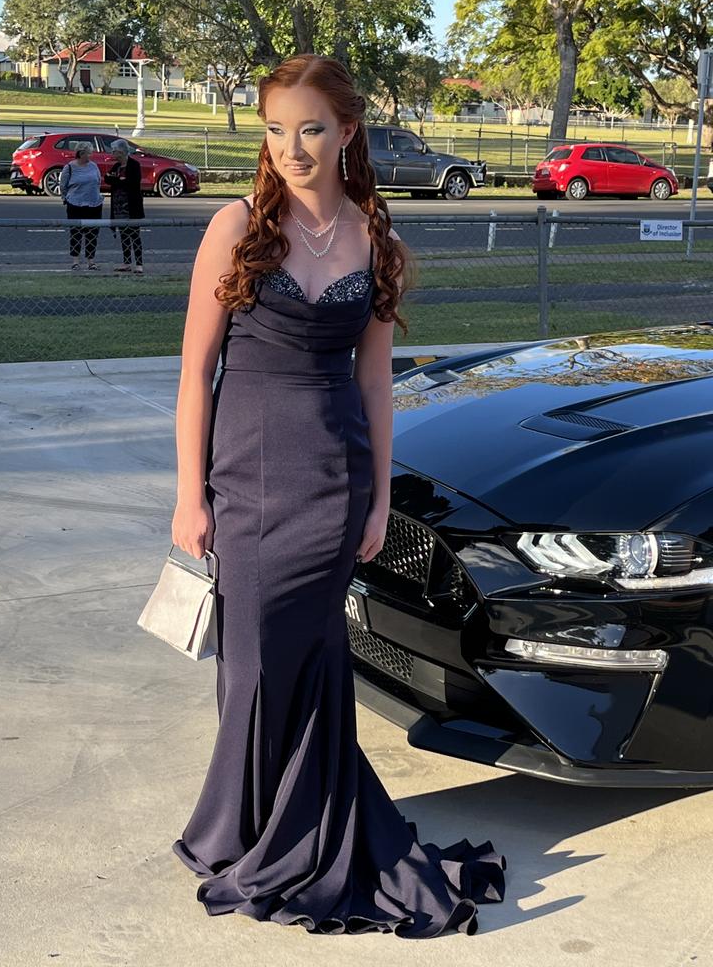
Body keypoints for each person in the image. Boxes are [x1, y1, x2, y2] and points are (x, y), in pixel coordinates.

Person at [169, 53, 506, 938]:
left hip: (334, 477)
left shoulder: (373, 237)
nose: (292, 148)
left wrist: (375, 501)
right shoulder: (236, 227)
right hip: (244, 475)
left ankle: (302, 832)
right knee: (248, 666)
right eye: (276, 129)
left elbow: (376, 385)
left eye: (311, 128)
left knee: (315, 664)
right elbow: (195, 372)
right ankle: (244, 830)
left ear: (348, 131)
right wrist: (187, 495)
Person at [103, 139, 145, 274]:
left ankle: (139, 264)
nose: (112, 153)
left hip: (131, 205)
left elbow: (132, 182)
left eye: (114, 151)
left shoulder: (134, 165)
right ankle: (126, 262)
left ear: (120, 152)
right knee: (124, 235)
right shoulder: (116, 166)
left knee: (134, 235)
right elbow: (108, 179)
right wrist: (118, 180)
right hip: (118, 206)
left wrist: (118, 180)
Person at [59, 142, 102, 270]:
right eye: (89, 153)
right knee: (76, 233)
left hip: (94, 204)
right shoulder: (69, 167)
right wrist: (66, 198)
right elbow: (63, 185)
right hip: (75, 204)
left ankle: (91, 261)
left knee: (92, 233)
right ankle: (75, 261)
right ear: (82, 153)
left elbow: (98, 181)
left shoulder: (93, 166)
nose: (91, 155)